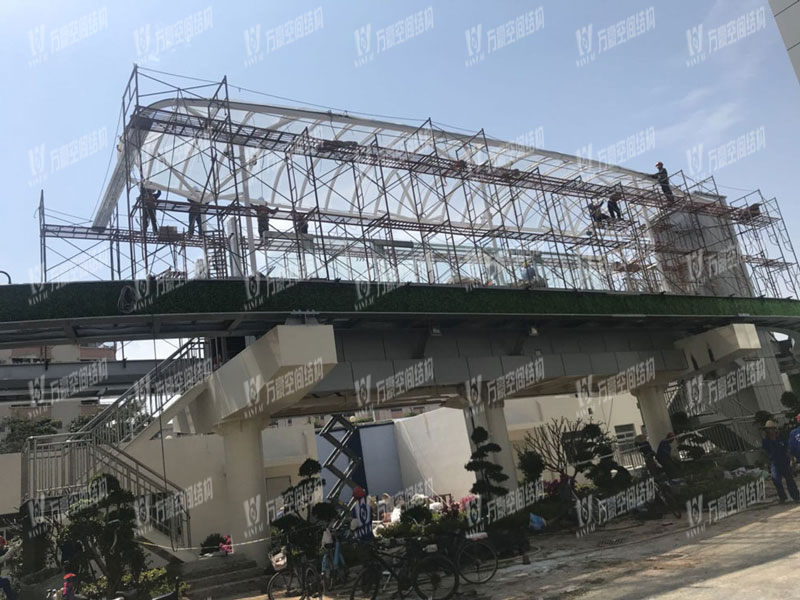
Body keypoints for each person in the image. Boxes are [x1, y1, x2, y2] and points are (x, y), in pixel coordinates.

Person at [761, 420, 799, 504]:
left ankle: (796, 496)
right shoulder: (766, 441)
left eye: (771, 429)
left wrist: (791, 459)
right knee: (776, 480)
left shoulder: (781, 438)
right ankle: (782, 497)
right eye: (768, 429)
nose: (770, 431)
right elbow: (765, 452)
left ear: (774, 429)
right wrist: (767, 461)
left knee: (789, 480)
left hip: (784, 461)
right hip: (774, 462)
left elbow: (787, 448)